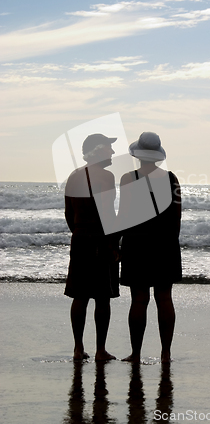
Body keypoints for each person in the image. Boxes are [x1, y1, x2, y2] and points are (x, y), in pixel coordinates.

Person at [118, 132, 182, 363]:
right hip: (165, 244)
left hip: (137, 244)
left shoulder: (129, 178)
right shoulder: (171, 178)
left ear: (138, 154)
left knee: (139, 300)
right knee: (164, 299)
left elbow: (124, 215)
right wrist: (170, 244)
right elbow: (176, 218)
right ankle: (166, 354)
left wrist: (118, 245)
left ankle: (136, 354)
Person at [64, 133, 120, 361]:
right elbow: (108, 213)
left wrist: (79, 231)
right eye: (109, 148)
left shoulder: (74, 176)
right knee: (102, 297)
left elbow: (69, 213)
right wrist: (115, 243)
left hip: (79, 239)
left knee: (80, 296)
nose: (113, 152)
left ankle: (78, 348)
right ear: (97, 150)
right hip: (100, 240)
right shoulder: (106, 177)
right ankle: (100, 350)